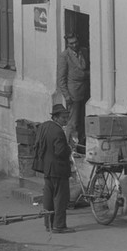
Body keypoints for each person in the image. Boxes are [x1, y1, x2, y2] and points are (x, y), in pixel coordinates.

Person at [33, 104, 75, 233]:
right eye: (63, 117)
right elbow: (60, 151)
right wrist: (70, 147)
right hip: (58, 169)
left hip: (47, 167)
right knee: (60, 198)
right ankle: (59, 225)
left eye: (67, 117)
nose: (65, 120)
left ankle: (48, 224)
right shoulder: (58, 131)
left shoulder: (44, 126)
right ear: (56, 118)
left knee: (48, 198)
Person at [57, 33, 90, 148]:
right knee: (73, 122)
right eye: (71, 43)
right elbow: (61, 79)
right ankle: (69, 146)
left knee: (83, 120)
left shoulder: (84, 51)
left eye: (76, 42)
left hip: (85, 90)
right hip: (73, 93)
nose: (74, 45)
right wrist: (66, 95)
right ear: (67, 44)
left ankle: (81, 145)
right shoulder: (64, 56)